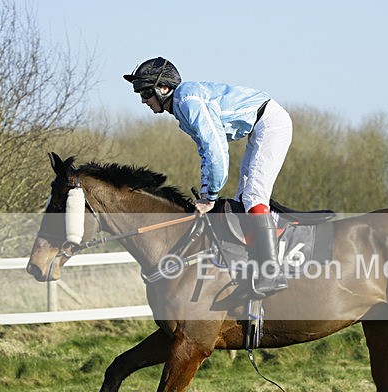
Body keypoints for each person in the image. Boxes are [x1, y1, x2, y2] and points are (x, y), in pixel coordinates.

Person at [124, 57, 292, 298]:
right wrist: (206, 193)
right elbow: (206, 152)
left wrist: (210, 195)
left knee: (254, 197)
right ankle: (257, 262)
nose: (143, 100)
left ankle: (272, 272)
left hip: (270, 123)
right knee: (244, 197)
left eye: (145, 92)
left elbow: (215, 149)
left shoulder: (189, 102)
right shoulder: (183, 107)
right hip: (260, 126)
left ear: (163, 88)